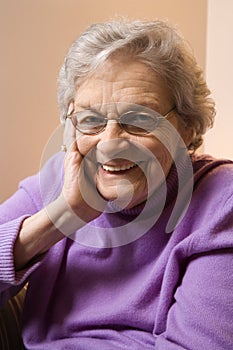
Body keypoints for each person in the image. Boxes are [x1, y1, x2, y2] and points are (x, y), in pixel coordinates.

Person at [0, 19, 233, 350]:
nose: (109, 144)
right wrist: (63, 216)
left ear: (186, 128)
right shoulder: (59, 181)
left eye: (139, 120)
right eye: (91, 120)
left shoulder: (221, 202)